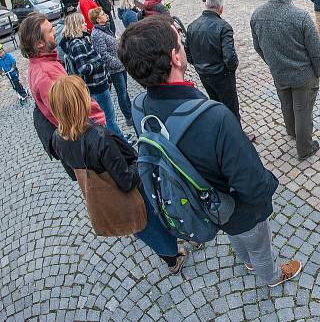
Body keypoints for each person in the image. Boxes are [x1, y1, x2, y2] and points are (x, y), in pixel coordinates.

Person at [118, 15, 301, 287]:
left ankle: (246, 261)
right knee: (259, 244)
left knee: (235, 235)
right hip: (237, 206)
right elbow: (252, 185)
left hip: (204, 204)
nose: (183, 47)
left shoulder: (139, 106)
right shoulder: (215, 117)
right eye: (180, 43)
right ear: (175, 58)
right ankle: (271, 276)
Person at [48, 75, 187, 274]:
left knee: (141, 227)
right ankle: (173, 259)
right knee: (151, 225)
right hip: (131, 196)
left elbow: (72, 172)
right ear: (80, 102)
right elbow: (126, 180)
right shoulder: (98, 136)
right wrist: (142, 162)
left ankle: (169, 255)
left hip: (104, 197)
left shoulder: (57, 138)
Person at [251, 0, 320, 160]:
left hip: (279, 73)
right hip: (303, 75)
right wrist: (317, 72)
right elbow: (317, 52)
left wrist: (273, 63)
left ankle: (292, 132)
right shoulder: (301, 17)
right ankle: (304, 148)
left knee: (287, 105)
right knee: (302, 110)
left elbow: (258, 47)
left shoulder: (257, 16)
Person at [18, 13, 105, 164]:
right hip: (89, 139)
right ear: (39, 43)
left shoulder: (45, 62)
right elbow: (72, 115)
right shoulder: (46, 74)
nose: (55, 33)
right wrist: (100, 128)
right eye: (50, 31)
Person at [185, 0, 248, 130]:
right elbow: (230, 57)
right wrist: (230, 69)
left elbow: (188, 53)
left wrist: (198, 66)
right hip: (222, 75)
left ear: (206, 5)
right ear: (221, 8)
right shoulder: (223, 26)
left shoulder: (192, 26)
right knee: (231, 109)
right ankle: (237, 138)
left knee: (216, 106)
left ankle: (223, 133)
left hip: (204, 75)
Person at [60, 12, 123, 137]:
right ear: (76, 25)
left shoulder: (82, 39)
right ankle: (120, 141)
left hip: (98, 84)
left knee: (107, 117)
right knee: (108, 117)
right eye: (82, 22)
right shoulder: (77, 44)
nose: (85, 24)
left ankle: (117, 138)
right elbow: (83, 68)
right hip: (96, 86)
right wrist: (99, 63)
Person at [88, 8, 133, 127]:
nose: (106, 15)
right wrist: (119, 63)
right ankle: (128, 117)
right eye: (103, 14)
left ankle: (130, 112)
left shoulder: (105, 28)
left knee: (125, 91)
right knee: (122, 93)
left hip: (120, 66)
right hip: (114, 69)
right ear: (98, 19)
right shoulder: (97, 34)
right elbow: (103, 55)